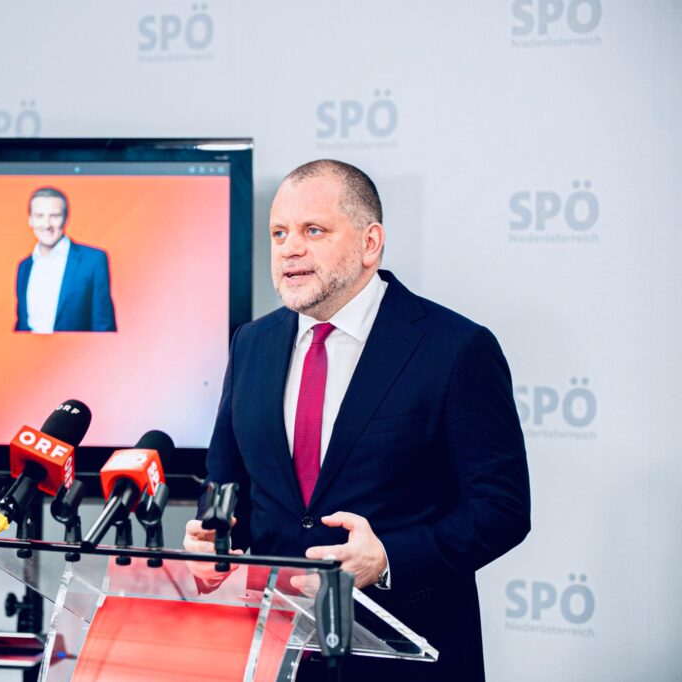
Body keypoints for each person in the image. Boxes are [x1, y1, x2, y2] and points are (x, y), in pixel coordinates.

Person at [184, 160, 530, 681]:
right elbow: (227, 485)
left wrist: (388, 558)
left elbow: (501, 509)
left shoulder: (455, 348)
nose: (289, 249)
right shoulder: (251, 343)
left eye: (313, 231)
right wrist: (216, 543)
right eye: (278, 233)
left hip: (409, 657)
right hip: (278, 656)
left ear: (370, 243)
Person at [15, 187, 116, 333]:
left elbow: (104, 326)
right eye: (39, 216)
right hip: (31, 355)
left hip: (78, 355)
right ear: (30, 220)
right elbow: (22, 325)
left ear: (66, 219)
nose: (47, 224)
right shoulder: (24, 267)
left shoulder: (93, 260)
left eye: (54, 216)